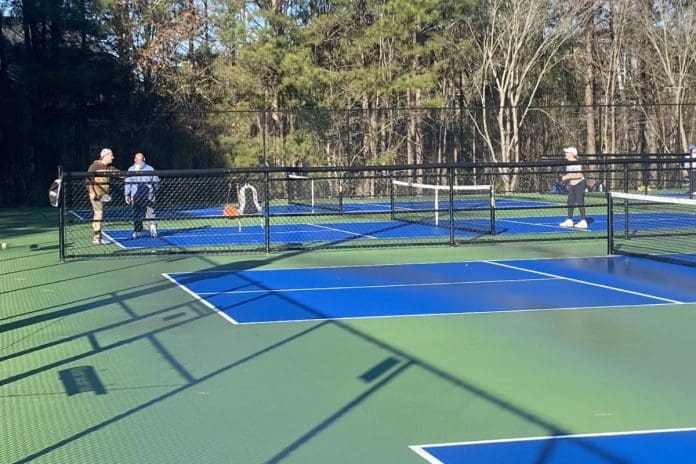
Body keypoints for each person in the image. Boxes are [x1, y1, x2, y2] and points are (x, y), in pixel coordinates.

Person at [85, 148, 118, 244]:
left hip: (103, 195)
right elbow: (88, 180)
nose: (113, 157)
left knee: (98, 215)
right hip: (96, 195)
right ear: (106, 156)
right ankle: (97, 237)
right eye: (111, 155)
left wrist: (137, 172)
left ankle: (98, 236)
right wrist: (92, 192)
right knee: (98, 214)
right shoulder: (94, 167)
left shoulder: (109, 168)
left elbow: (121, 174)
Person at [124, 152, 159, 238]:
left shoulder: (131, 169)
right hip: (148, 194)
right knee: (150, 212)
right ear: (144, 159)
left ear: (135, 160)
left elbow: (128, 183)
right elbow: (156, 182)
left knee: (136, 213)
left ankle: (138, 231)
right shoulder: (150, 169)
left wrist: (127, 194)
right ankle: (152, 229)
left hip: (136, 195)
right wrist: (155, 191)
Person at [559, 146, 588, 229]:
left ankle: (583, 221)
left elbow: (579, 175)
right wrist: (564, 178)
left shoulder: (577, 163)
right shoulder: (568, 163)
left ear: (572, 154)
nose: (566, 154)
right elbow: (569, 174)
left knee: (579, 201)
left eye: (567, 153)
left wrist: (567, 177)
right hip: (572, 184)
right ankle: (569, 220)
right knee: (570, 202)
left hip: (580, 184)